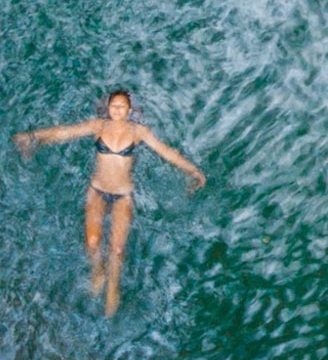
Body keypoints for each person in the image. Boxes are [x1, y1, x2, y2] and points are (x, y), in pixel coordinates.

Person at [14, 88, 204, 315]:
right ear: (108, 107)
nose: (117, 109)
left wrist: (193, 171)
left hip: (123, 195)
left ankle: (113, 287)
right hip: (96, 190)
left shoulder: (139, 131)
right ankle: (97, 272)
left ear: (129, 110)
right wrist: (33, 137)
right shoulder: (99, 126)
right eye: (113, 105)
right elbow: (65, 132)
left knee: (116, 248)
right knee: (93, 243)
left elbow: (166, 152)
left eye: (122, 106)